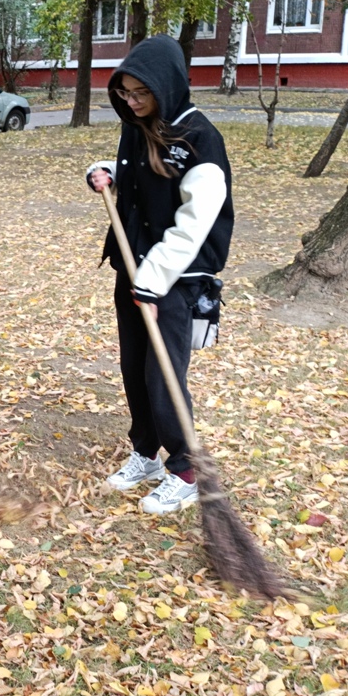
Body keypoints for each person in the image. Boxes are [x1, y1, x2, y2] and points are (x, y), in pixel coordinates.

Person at [86, 35, 233, 513]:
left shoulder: (201, 139)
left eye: (139, 93)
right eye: (124, 93)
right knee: (133, 366)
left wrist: (154, 279)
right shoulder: (138, 123)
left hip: (174, 278)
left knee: (162, 374)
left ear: (165, 86)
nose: (130, 102)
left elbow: (194, 223)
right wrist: (105, 170)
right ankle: (146, 453)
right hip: (133, 267)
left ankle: (187, 469)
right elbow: (141, 177)